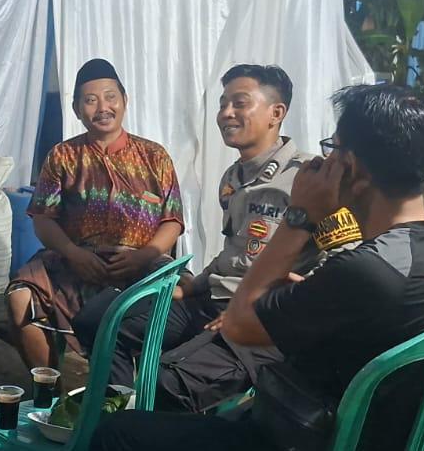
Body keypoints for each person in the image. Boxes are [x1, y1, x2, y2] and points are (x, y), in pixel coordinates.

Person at [91, 84, 424, 451]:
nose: (325, 160)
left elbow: (239, 325)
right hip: (361, 430)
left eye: (333, 149)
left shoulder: (369, 269)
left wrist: (300, 216)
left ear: (353, 168)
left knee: (117, 432)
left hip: (301, 438)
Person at [73, 64, 319, 413]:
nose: (226, 113)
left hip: (260, 318)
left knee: (163, 382)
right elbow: (234, 254)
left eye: (239, 103)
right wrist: (192, 286)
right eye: (222, 104)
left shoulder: (310, 178)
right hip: (212, 299)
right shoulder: (232, 178)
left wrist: (261, 308)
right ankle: (116, 417)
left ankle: (140, 424)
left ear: (276, 113)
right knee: (101, 322)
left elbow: (337, 265)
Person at [8, 58, 184, 370]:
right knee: (20, 298)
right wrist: (73, 253)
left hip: (142, 264)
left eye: (110, 97)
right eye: (90, 100)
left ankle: (144, 389)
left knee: (183, 297)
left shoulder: (155, 156)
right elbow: (43, 218)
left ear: (125, 101)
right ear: (77, 109)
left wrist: (144, 255)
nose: (103, 107)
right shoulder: (62, 156)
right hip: (75, 261)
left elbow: (172, 220)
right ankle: (51, 391)